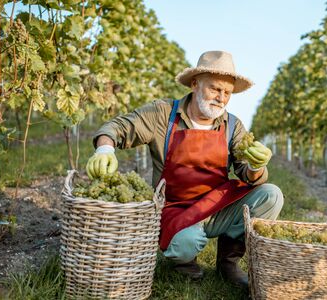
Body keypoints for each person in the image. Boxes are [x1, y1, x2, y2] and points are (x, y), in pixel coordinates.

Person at [86, 50, 284, 288]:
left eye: (227, 92)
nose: (221, 97)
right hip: (176, 209)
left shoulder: (232, 125)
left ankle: (228, 263)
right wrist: (105, 149)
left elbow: (250, 177)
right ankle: (184, 261)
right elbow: (118, 126)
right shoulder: (163, 114)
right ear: (194, 84)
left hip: (216, 205)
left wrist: (255, 166)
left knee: (271, 195)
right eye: (214, 89)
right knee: (184, 245)